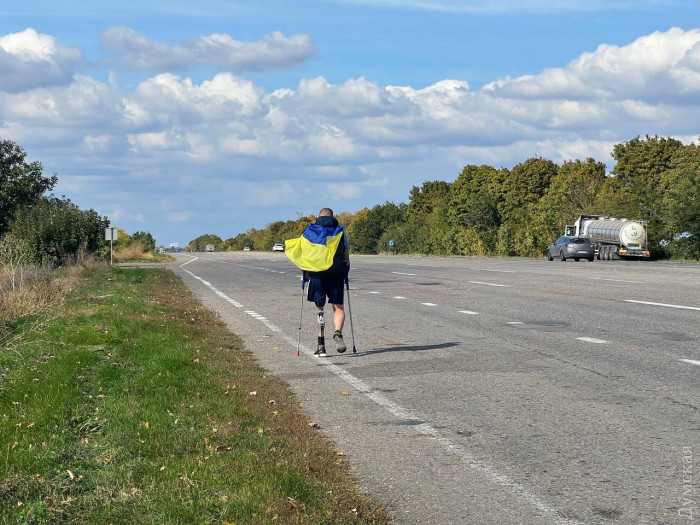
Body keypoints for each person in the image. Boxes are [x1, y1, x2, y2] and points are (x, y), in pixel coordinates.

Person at [305, 208, 350, 356]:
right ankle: (338, 333)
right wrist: (345, 272)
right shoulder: (341, 231)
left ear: (318, 217)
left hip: (316, 273)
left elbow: (306, 255)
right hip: (335, 273)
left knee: (320, 308)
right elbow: (346, 257)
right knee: (338, 307)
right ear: (332, 217)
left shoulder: (310, 230)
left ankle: (321, 346)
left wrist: (305, 275)